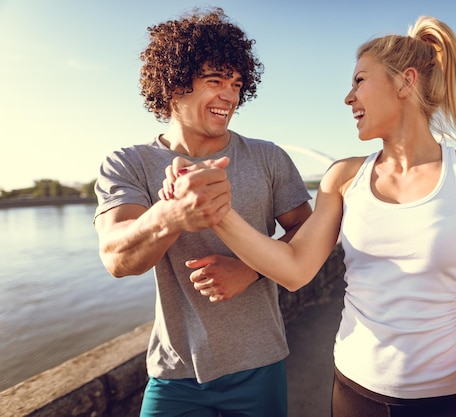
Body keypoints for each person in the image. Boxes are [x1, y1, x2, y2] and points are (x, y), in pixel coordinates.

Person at [165, 15, 456, 417]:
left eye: (359, 81)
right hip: (354, 393)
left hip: (448, 395)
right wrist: (217, 212)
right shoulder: (343, 177)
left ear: (405, 82)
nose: (348, 97)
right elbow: (294, 270)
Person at [93, 8, 312, 417]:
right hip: (174, 373)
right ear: (174, 85)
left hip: (258, 363)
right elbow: (116, 259)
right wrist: (172, 215)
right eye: (215, 81)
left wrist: (251, 269)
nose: (229, 96)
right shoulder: (128, 163)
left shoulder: (268, 157)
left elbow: (310, 232)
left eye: (236, 84)